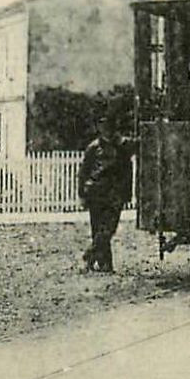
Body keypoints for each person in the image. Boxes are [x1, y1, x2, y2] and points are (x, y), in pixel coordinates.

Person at [79, 115, 134, 273]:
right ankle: (104, 265)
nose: (106, 130)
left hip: (114, 195)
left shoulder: (122, 147)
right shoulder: (93, 148)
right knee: (98, 229)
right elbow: (83, 173)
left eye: (109, 126)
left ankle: (91, 254)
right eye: (103, 126)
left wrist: (126, 194)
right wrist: (82, 194)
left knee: (108, 229)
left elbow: (128, 167)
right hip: (96, 193)